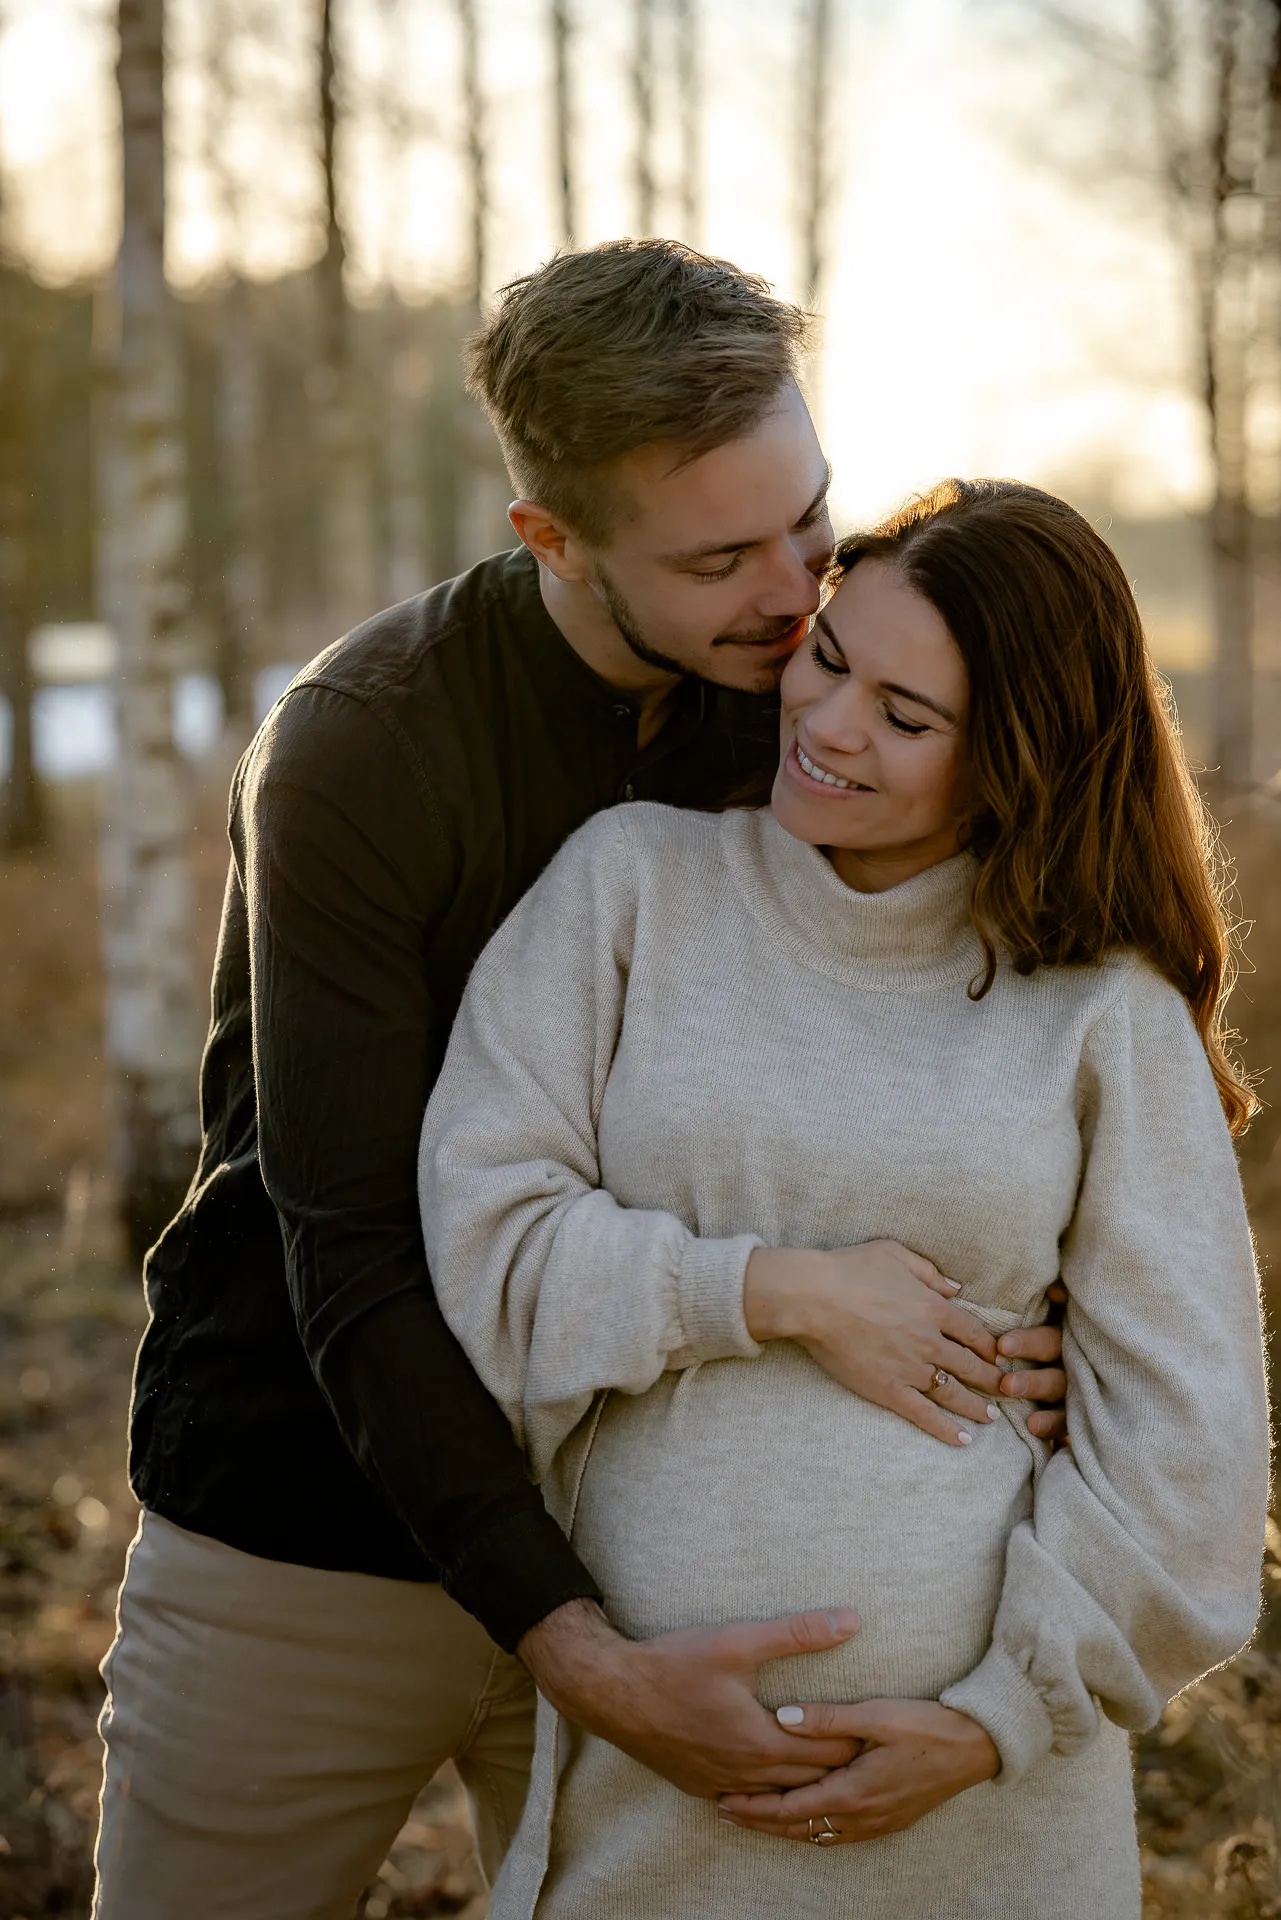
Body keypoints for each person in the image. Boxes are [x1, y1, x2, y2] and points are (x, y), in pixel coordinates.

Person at [91, 246, 1069, 1920]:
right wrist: (574, 1647)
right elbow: (356, 1245)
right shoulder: (363, 750)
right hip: (313, 1533)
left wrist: (1022, 1339)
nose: (796, 592)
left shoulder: (803, 721)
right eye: (721, 560)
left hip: (672, 1542)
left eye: (810, 521)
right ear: (552, 538)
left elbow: (942, 1043)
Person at [418, 477, 1271, 1920]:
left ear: (1017, 756)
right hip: (660, 1785)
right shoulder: (633, 891)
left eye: (905, 715)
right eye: (828, 658)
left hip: (994, 1817)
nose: (825, 724)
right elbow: (483, 1236)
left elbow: (1188, 1438)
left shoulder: (1098, 1012)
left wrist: (996, 1719)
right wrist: (764, 1293)